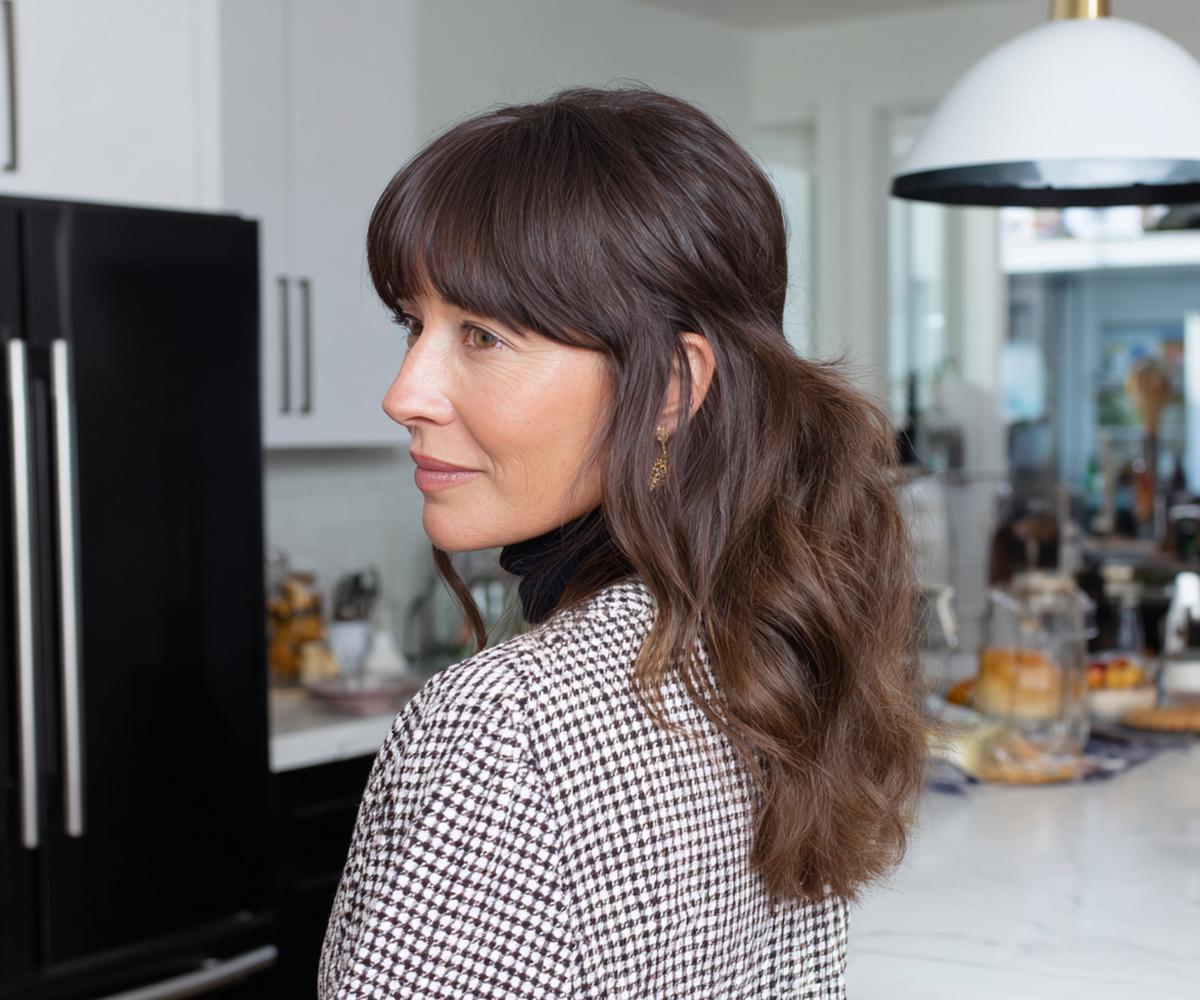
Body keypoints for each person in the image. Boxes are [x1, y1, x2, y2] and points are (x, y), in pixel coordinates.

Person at [317, 83, 928, 999]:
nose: (404, 393)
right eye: (414, 325)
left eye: (481, 334)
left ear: (675, 389)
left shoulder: (504, 727)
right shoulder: (759, 652)